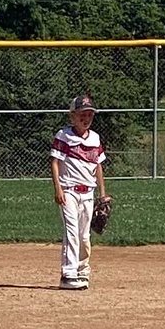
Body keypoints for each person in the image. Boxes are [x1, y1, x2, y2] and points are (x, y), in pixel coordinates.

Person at [49, 94, 107, 290]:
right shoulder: (64, 136)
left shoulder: (95, 138)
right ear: (72, 116)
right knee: (71, 232)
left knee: (84, 235)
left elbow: (98, 166)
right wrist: (58, 189)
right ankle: (68, 274)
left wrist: (102, 194)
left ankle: (82, 271)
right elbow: (55, 162)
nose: (86, 118)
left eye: (90, 114)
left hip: (88, 193)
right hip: (69, 192)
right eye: (82, 114)